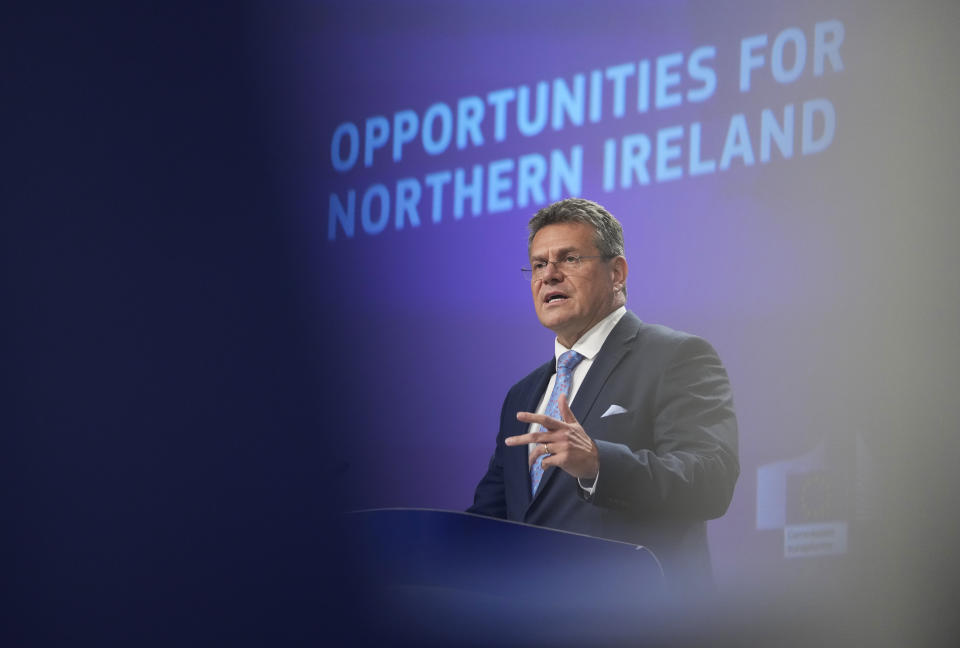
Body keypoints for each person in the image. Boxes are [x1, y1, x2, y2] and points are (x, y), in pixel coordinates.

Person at [468, 197, 739, 585]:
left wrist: (599, 464)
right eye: (539, 264)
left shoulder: (676, 357)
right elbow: (491, 519)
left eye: (570, 259)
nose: (550, 275)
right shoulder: (522, 394)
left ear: (617, 272)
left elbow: (712, 481)